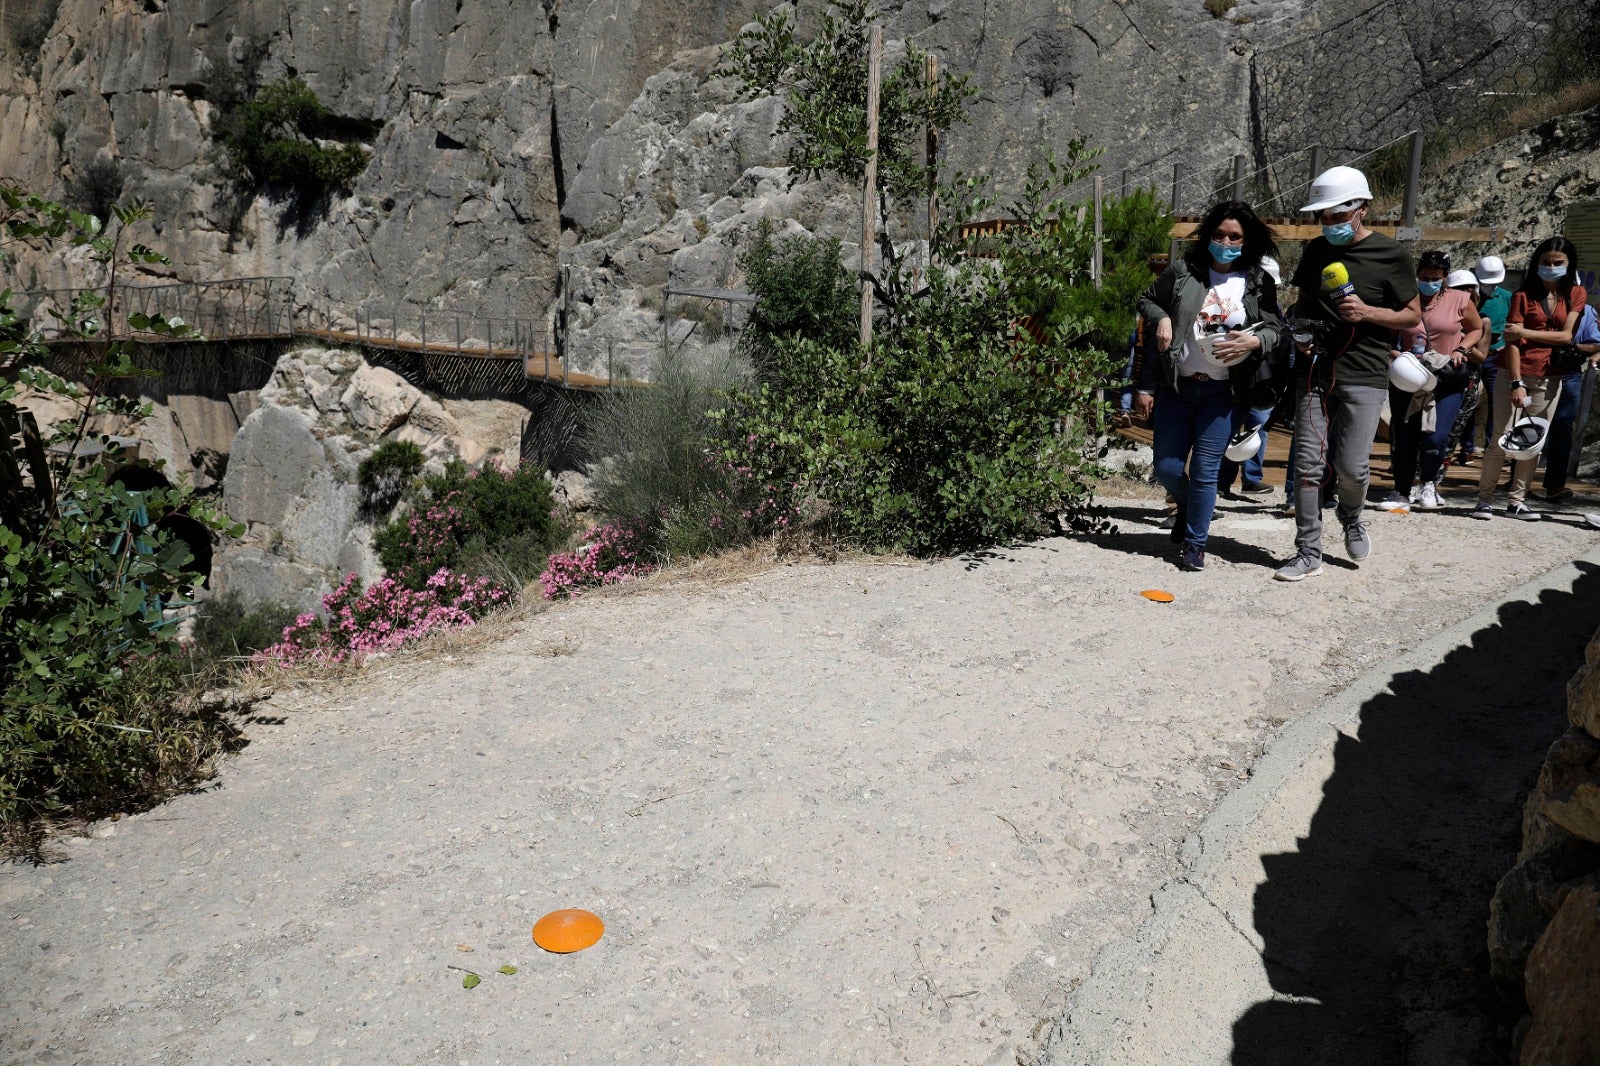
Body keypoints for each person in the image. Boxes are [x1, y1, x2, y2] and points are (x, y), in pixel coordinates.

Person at [1275, 166, 1420, 582]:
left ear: (1363, 210)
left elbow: (1412, 316)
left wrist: (1369, 312)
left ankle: (1351, 516)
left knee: (1352, 467)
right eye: (1324, 217)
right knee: (1307, 464)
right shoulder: (1316, 253)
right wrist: (1299, 334)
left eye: (1338, 215)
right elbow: (1302, 303)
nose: (1331, 224)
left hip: (1365, 373)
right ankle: (1307, 551)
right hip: (1314, 372)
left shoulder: (1391, 255)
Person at [1136, 200, 1283, 572]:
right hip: (1179, 388)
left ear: (1246, 241)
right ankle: (1187, 507)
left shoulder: (1256, 281)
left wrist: (1253, 342)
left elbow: (1275, 328)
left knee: (1205, 471)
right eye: (1219, 234)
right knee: (1167, 468)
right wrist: (1163, 318)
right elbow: (1146, 300)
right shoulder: (1185, 272)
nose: (1226, 241)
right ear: (1208, 235)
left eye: (1235, 236)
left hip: (1224, 393)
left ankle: (1195, 544)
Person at [1473, 237, 1585, 520]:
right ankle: (1484, 499)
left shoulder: (1575, 293)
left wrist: (1524, 333)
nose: (1551, 267)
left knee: (1532, 440)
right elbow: (1511, 343)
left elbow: (1565, 336)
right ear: (1537, 263)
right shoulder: (1522, 296)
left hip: (1550, 377)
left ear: (1568, 265)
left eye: (1558, 263)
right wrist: (1516, 382)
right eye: (1545, 262)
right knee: (1500, 436)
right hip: (1514, 372)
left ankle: (1517, 499)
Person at [1380, 252, 1483, 512]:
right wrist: (1396, 355)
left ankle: (1428, 483)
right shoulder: (1404, 299)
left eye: (1435, 278)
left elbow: (1476, 328)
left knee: (1436, 437)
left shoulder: (1461, 299)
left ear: (1445, 278)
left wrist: (1462, 349)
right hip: (1408, 377)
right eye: (1424, 278)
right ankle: (1401, 490)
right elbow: (1389, 337)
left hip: (1446, 377)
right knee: (1404, 438)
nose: (1429, 282)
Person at [1219, 255, 1288, 497]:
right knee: (1229, 427)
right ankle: (1222, 480)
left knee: (1258, 428)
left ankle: (1251, 478)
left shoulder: (1275, 309)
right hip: (1237, 375)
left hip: (1264, 378)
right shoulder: (1235, 304)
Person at [1542, 300, 1600, 501]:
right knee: (1531, 424)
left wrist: (1575, 347)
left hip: (1569, 372)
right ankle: (1517, 482)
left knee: (1563, 427)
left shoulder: (1587, 312)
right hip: (1539, 372)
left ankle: (1555, 485)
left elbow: (1596, 343)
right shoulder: (1540, 304)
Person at [1460, 255, 1514, 464]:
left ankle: (1493, 447)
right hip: (1469, 355)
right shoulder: (1468, 296)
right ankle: (1467, 448)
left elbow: (1513, 322)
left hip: (1496, 357)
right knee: (1467, 402)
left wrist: (1503, 344)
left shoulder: (1507, 297)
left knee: (1496, 402)